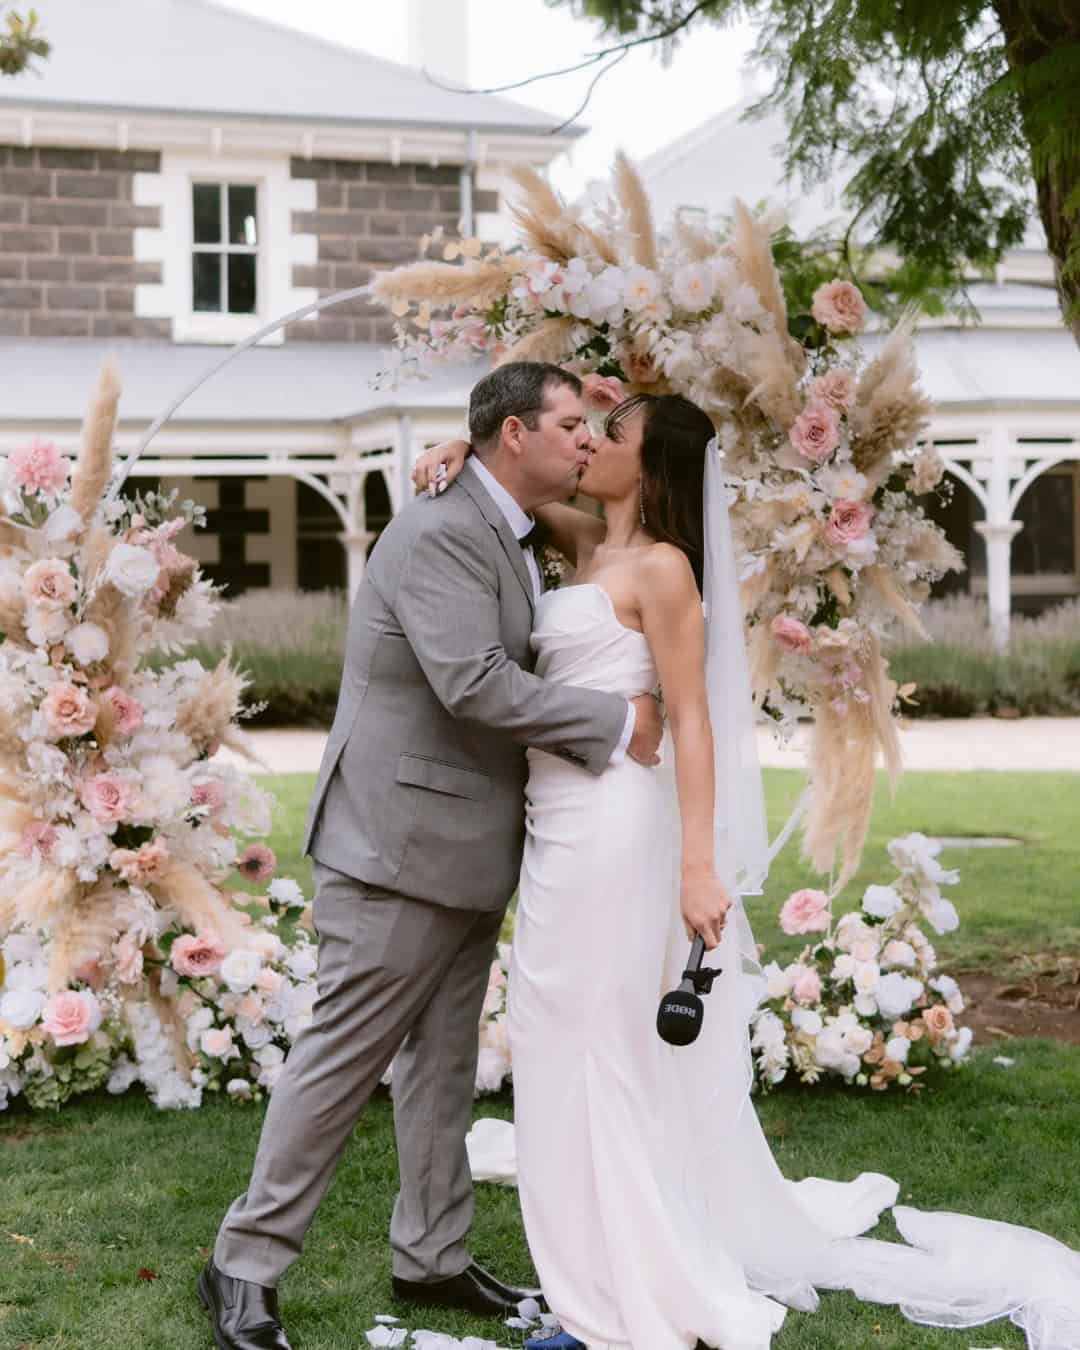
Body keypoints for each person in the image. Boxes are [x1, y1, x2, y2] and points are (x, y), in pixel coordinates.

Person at [413, 381, 1080, 1350]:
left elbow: (692, 723)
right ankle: (585, 1277)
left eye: (614, 434)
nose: (590, 444)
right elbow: (501, 479)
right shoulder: (585, 541)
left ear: (653, 463)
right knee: (555, 1045)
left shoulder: (665, 571)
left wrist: (696, 866)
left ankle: (618, 1297)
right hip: (552, 826)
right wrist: (449, 447)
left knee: (600, 1050)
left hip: (613, 830)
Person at [198, 362, 669, 1350]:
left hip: (464, 850)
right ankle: (242, 1263)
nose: (587, 442)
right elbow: (477, 686)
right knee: (341, 1062)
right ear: (513, 436)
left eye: (595, 429)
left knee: (442, 1072)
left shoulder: (502, 528)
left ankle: (432, 1257)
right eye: (570, 426)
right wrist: (618, 720)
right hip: (393, 849)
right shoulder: (441, 533)